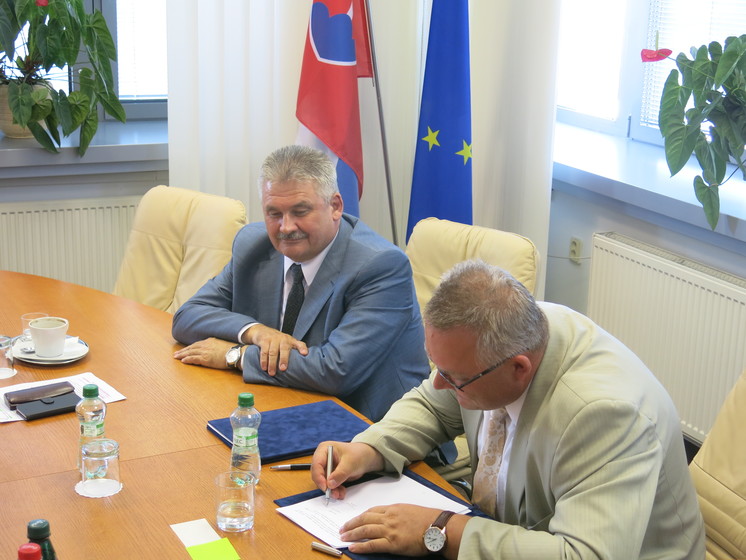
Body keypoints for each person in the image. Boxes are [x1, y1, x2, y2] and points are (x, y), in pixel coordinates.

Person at [311, 260, 705, 559]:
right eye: (438, 368)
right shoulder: (503, 337)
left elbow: (582, 554)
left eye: (454, 377)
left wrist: (441, 529)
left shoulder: (605, 415)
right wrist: (370, 448)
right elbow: (433, 404)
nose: (439, 383)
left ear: (519, 368)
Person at [172, 145, 430, 422]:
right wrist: (256, 332)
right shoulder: (253, 244)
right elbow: (187, 316)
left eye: (300, 211)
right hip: (286, 405)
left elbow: (335, 371)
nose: (286, 227)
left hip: (371, 426)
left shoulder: (380, 266)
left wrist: (235, 355)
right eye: (274, 213)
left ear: (335, 206)